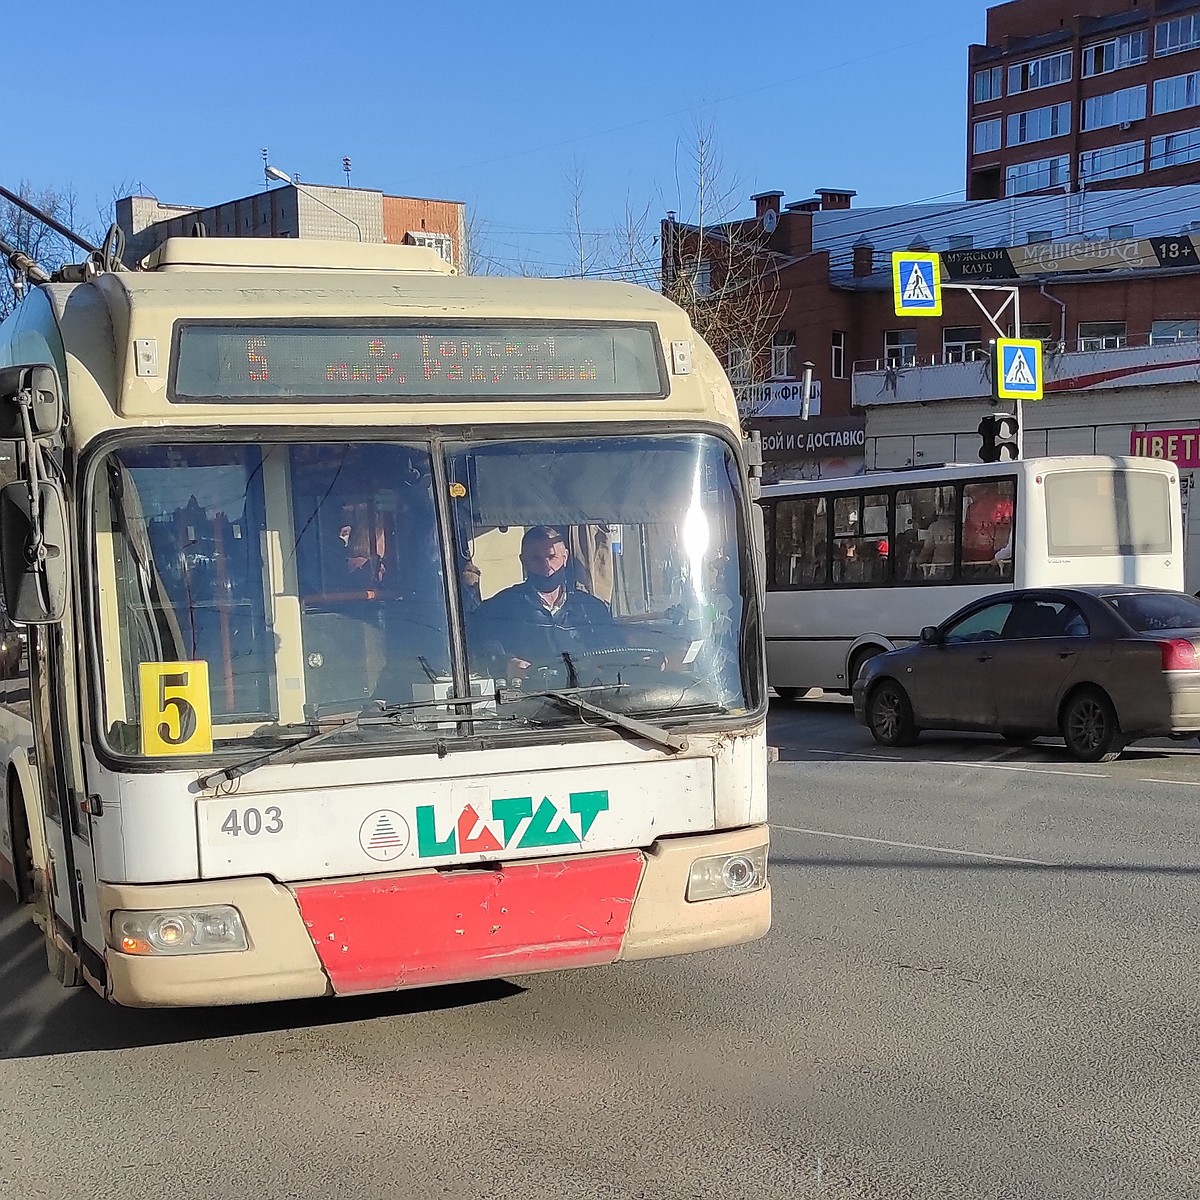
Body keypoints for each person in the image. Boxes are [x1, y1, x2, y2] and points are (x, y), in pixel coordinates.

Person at [472, 525, 618, 681]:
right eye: (536, 559)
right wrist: (506, 664)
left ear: (565, 557)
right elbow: (477, 643)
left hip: (589, 698)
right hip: (530, 699)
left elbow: (615, 653)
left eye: (551, 557)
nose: (547, 567)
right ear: (524, 562)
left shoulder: (592, 609)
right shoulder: (501, 608)